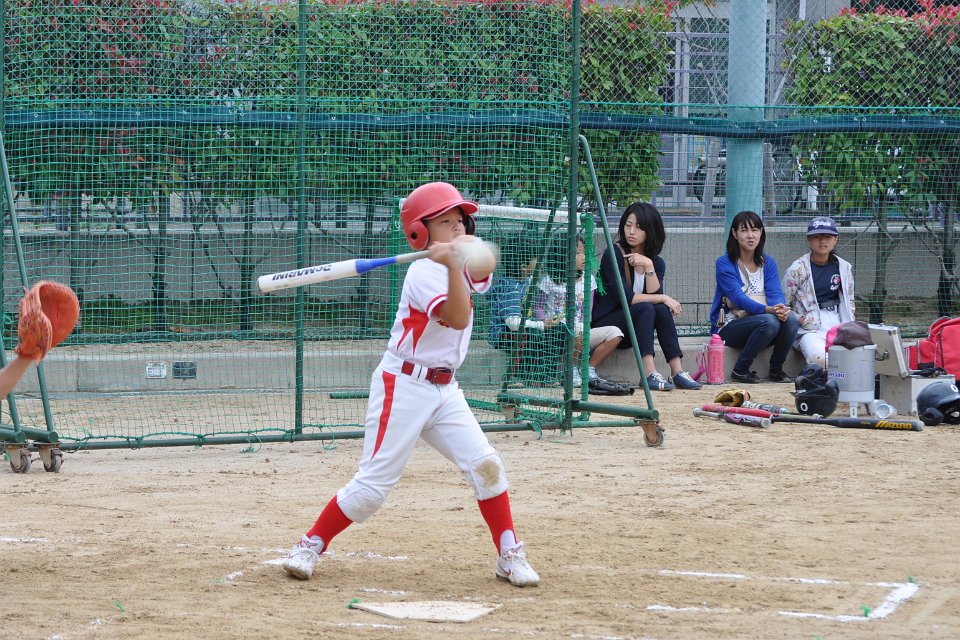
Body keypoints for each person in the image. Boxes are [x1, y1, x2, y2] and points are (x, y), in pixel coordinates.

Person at [281, 182, 539, 587]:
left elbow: (486, 263)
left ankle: (509, 554)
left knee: (486, 465)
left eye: (460, 220)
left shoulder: (457, 259)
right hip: (403, 385)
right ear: (420, 232)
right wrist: (450, 265)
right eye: (445, 221)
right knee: (372, 489)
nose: (457, 227)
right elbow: (458, 317)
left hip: (446, 389)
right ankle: (310, 544)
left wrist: (462, 252)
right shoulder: (423, 273)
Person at [591, 202, 703, 391]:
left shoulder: (657, 263)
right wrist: (664, 297)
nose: (631, 231)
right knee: (647, 307)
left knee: (659, 308)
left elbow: (655, 300)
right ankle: (649, 374)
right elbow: (625, 298)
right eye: (628, 225)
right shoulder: (614, 254)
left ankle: (677, 371)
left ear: (650, 231)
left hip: (634, 330)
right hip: (608, 327)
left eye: (639, 227)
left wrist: (649, 266)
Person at [710, 210, 799, 384]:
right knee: (770, 321)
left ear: (761, 232)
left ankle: (776, 370)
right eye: (744, 230)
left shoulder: (768, 262)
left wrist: (779, 308)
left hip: (762, 323)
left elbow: (775, 293)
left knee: (791, 319)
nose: (751, 235)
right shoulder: (724, 263)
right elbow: (737, 298)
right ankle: (740, 369)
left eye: (755, 230)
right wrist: (767, 310)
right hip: (729, 326)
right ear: (734, 233)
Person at [533, 235, 628, 393]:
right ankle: (570, 369)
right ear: (562, 256)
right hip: (555, 333)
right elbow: (537, 306)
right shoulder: (549, 280)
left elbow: (587, 310)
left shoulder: (588, 279)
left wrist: (585, 327)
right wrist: (544, 322)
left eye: (584, 252)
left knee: (615, 333)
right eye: (578, 253)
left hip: (581, 332)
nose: (583, 257)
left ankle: (587, 369)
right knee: (577, 329)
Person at [781, 216, 856, 368]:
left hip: (838, 322)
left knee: (855, 359)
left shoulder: (843, 267)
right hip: (810, 329)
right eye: (816, 237)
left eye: (827, 237)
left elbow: (850, 300)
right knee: (819, 358)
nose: (822, 241)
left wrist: (849, 323)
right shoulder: (797, 269)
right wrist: (801, 320)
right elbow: (781, 303)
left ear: (836, 239)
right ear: (809, 239)